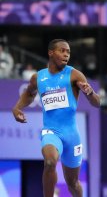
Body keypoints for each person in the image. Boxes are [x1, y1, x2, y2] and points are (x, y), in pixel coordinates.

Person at [12, 39, 100, 197]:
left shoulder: (74, 74)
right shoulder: (38, 78)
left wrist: (90, 93)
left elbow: (97, 103)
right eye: (62, 50)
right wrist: (18, 107)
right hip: (51, 132)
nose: (66, 55)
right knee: (50, 161)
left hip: (72, 135)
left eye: (68, 52)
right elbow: (29, 94)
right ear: (51, 53)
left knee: (73, 183)